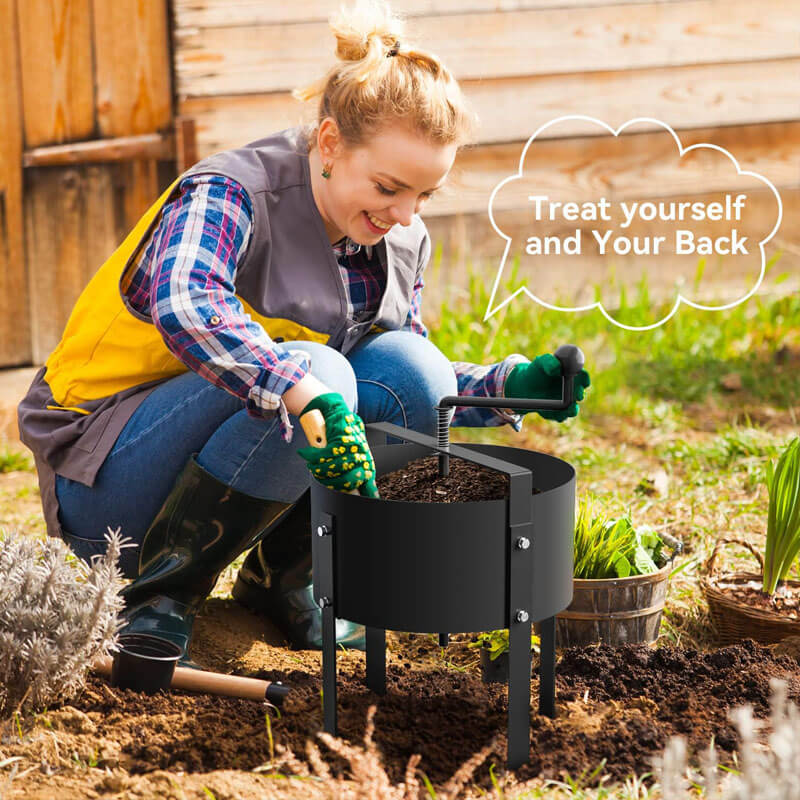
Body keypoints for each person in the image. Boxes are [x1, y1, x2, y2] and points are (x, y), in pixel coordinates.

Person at [17, 0, 590, 664]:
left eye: (423, 196)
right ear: (327, 145)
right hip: (108, 481)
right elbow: (186, 305)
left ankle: (285, 580)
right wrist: (299, 387)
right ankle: (159, 594)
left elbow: (393, 375)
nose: (404, 215)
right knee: (319, 375)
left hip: (237, 450)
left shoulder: (393, 238)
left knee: (412, 371)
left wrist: (510, 387)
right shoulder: (233, 193)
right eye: (388, 186)